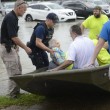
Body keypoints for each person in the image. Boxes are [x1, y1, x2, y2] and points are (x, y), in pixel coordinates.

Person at [0, 0, 32, 98]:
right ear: (19, 8)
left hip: (11, 47)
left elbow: (12, 34)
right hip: (6, 48)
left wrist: (16, 45)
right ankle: (12, 95)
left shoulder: (14, 17)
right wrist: (26, 48)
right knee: (13, 72)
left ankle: (16, 92)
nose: (25, 12)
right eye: (24, 10)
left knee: (18, 70)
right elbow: (14, 37)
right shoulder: (11, 17)